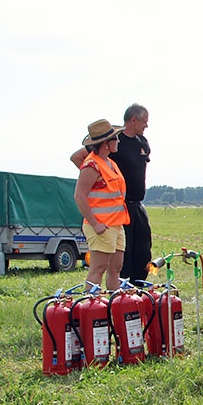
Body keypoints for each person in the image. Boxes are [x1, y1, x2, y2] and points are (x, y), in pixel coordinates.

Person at [72, 104, 152, 282]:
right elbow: (80, 193)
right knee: (101, 266)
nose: (118, 141)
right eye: (144, 121)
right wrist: (96, 180)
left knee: (136, 254)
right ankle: (94, 305)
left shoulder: (116, 159)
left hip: (124, 212)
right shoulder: (94, 162)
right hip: (105, 219)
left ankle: (128, 295)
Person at [73, 119, 129, 291]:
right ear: (106, 143)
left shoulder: (111, 163)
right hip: (101, 225)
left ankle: (114, 307)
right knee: (98, 268)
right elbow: (79, 196)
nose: (118, 141)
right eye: (115, 138)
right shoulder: (91, 165)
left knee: (115, 268)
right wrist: (95, 223)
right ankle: (90, 310)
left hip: (116, 224)